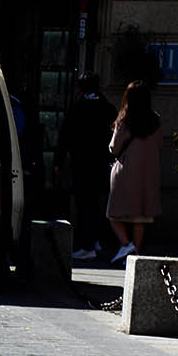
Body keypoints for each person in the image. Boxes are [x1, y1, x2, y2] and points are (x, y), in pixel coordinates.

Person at [59, 72, 116, 260]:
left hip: (82, 163)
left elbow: (65, 136)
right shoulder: (108, 108)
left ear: (79, 88)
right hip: (102, 164)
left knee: (85, 205)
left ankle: (87, 244)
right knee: (99, 203)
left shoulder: (77, 108)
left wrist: (58, 162)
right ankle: (98, 240)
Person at [105, 80, 163, 263]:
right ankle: (135, 255)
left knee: (113, 213)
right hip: (148, 173)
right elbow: (160, 145)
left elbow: (114, 148)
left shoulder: (125, 119)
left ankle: (125, 244)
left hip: (126, 170)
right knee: (141, 217)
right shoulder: (155, 120)